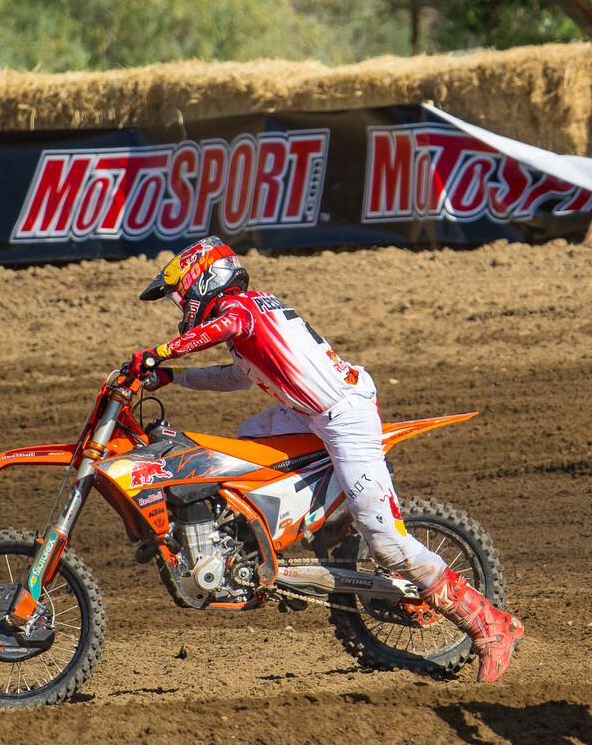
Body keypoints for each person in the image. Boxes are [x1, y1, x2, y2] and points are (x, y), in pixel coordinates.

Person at [127, 236, 525, 681]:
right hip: (306, 413)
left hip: (343, 417)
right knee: (244, 444)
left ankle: (489, 623)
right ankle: (281, 537)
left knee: (388, 545)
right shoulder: (247, 322)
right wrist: (170, 377)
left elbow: (218, 330)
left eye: (182, 293)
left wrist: (161, 352)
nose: (181, 305)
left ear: (205, 279)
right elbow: (236, 377)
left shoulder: (242, 309)